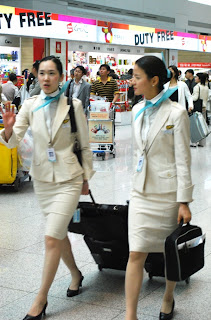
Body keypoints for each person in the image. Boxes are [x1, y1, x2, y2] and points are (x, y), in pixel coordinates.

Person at [0, 55, 94, 320]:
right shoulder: (30, 105)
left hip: (69, 178)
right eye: (42, 73)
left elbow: (84, 145)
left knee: (51, 236)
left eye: (52, 73)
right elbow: (12, 139)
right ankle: (75, 273)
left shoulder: (73, 105)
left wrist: (86, 178)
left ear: (61, 77)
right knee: (59, 233)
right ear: (36, 76)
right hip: (42, 178)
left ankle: (40, 301)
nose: (46, 78)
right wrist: (7, 129)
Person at [125, 55, 193, 320]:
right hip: (141, 193)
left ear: (154, 80)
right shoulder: (135, 110)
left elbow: (183, 160)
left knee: (169, 254)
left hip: (167, 195)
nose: (132, 81)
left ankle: (168, 297)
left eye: (137, 77)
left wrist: (184, 200)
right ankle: (130, 315)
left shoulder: (175, 113)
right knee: (135, 253)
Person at [192, 72, 209, 147]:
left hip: (197, 108)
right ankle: (202, 143)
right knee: (202, 125)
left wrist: (189, 98)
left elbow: (195, 98)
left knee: (196, 125)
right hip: (204, 107)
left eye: (196, 77)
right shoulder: (206, 87)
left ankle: (195, 142)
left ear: (199, 79)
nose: (195, 78)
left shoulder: (197, 87)